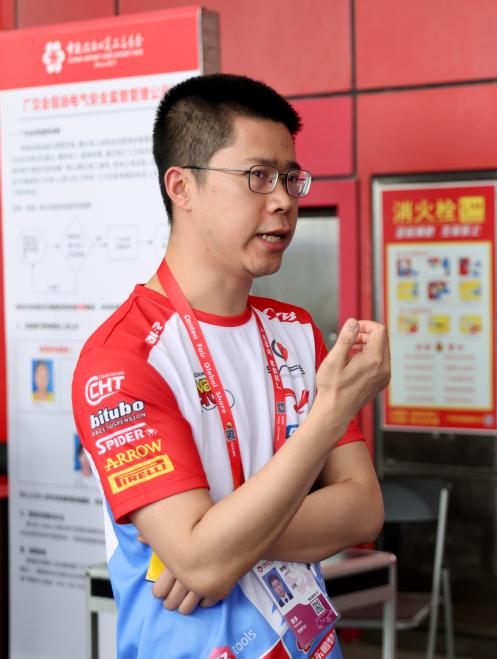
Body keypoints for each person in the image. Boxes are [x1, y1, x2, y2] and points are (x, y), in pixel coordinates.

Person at [71, 73, 390, 659]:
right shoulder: (121, 359)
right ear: (182, 187)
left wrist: (218, 540)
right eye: (258, 176)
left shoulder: (295, 332)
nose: (284, 200)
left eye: (290, 178)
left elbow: (363, 510)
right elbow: (203, 562)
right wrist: (333, 411)